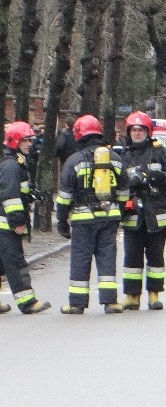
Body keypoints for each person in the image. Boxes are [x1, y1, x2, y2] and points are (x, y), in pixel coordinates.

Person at [55, 114, 128, 314]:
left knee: (81, 259)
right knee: (107, 258)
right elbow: (123, 191)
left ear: (79, 135)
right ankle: (110, 302)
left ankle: (77, 304)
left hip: (83, 220)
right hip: (109, 217)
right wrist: (118, 212)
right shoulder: (115, 159)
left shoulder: (74, 161)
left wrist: (61, 220)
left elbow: (64, 196)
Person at [120, 111, 166, 311]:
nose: (137, 133)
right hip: (133, 215)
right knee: (132, 258)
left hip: (155, 213)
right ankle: (132, 297)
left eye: (141, 130)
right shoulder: (124, 155)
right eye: (134, 130)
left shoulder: (159, 151)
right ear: (129, 132)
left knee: (155, 257)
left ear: (148, 132)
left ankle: (154, 296)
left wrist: (160, 177)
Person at [0, 122, 51, 314]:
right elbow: (10, 197)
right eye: (25, 140)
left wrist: (30, 194)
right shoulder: (11, 165)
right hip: (6, 225)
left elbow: (17, 191)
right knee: (15, 263)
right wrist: (18, 222)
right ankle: (28, 303)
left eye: (30, 139)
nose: (30, 143)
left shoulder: (15, 163)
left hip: (4, 224)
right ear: (14, 141)